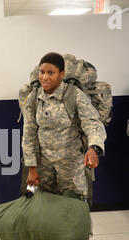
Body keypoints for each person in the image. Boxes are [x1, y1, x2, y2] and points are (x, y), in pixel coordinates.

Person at [21, 52, 106, 202]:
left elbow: (92, 122)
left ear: (61, 74)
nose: (45, 77)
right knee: (44, 207)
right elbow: (29, 133)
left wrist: (94, 148)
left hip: (71, 166)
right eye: (42, 72)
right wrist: (31, 168)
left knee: (73, 207)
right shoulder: (34, 98)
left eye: (50, 73)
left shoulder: (74, 95)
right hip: (43, 165)